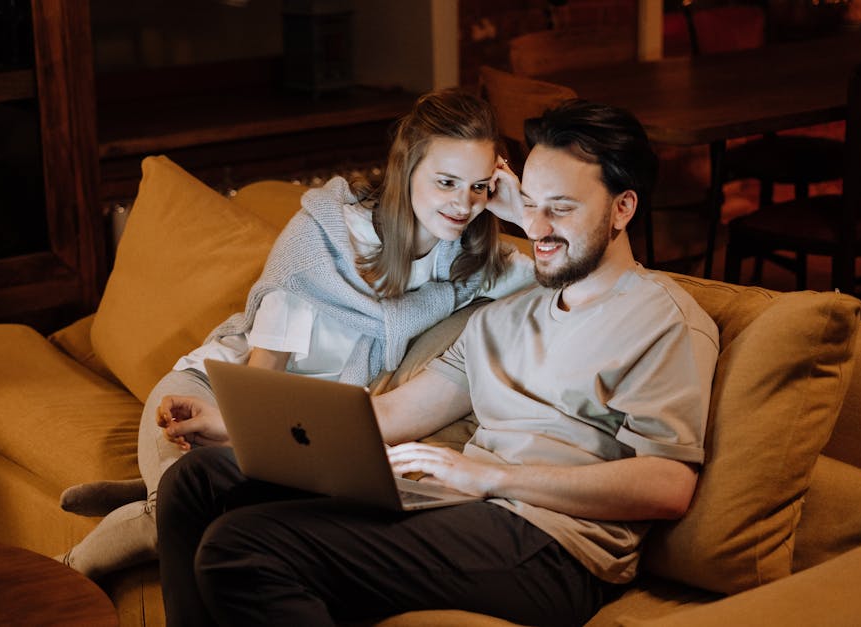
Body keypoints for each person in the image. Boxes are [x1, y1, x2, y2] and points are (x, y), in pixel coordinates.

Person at [154, 100, 720, 627]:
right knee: (197, 481)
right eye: (530, 205)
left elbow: (668, 484)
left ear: (624, 207)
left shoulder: (662, 320)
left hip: (552, 545)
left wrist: (491, 477)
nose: (539, 229)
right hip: (459, 506)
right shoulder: (506, 315)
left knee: (241, 547)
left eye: (562, 208)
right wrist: (238, 428)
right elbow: (397, 413)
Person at [58, 89, 535, 578]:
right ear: (407, 168)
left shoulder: (469, 265)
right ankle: (65, 571)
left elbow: (564, 272)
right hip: (215, 397)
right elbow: (263, 382)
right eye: (447, 182)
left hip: (298, 435)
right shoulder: (322, 236)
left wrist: (521, 213)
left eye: (479, 187)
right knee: (184, 520)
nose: (464, 203)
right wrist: (229, 443)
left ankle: (148, 487)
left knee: (239, 522)